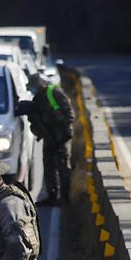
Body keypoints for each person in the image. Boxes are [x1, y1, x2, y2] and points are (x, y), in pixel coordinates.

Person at [28, 73, 74, 205]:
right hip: (49, 137)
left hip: (60, 137)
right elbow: (35, 120)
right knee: (48, 166)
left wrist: (65, 133)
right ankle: (52, 195)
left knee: (63, 167)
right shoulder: (38, 98)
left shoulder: (53, 92)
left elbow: (68, 113)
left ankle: (65, 197)